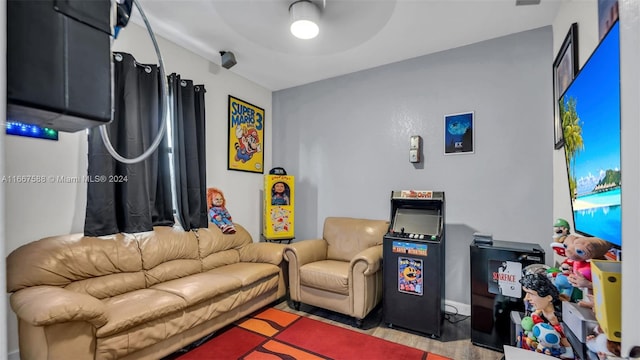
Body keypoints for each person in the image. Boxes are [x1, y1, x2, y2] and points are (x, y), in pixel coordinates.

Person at [520, 273, 574, 359]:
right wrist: (535, 314)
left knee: (563, 338)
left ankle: (569, 351)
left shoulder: (556, 315)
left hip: (557, 338)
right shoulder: (542, 307)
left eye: (531, 294)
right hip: (544, 340)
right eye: (526, 293)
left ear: (549, 298)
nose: (527, 298)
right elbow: (538, 311)